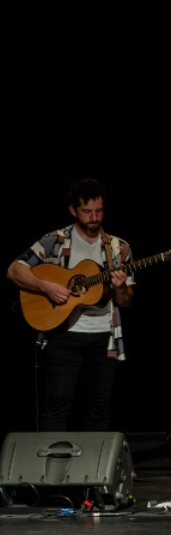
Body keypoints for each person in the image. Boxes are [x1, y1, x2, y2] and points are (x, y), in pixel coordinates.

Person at [7, 177, 134, 432]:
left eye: (99, 211)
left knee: (99, 407)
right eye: (87, 212)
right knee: (57, 405)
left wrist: (120, 287)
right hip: (63, 334)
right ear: (73, 211)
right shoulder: (55, 240)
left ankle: (92, 471)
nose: (94, 217)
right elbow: (14, 270)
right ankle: (53, 470)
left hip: (104, 337)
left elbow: (125, 301)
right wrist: (47, 287)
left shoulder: (119, 248)